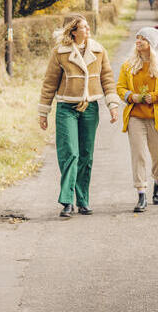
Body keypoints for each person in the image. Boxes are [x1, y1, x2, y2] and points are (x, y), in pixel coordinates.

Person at [38, 14, 120, 218]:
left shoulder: (99, 50)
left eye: (87, 26)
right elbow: (49, 83)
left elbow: (107, 78)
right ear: (73, 31)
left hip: (90, 108)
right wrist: (44, 112)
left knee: (86, 155)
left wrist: (112, 105)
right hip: (67, 107)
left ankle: (83, 200)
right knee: (70, 153)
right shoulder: (60, 53)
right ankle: (67, 201)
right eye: (83, 27)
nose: (88, 30)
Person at [116, 25, 158, 212]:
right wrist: (130, 96)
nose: (138, 41)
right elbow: (120, 87)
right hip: (135, 117)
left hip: (157, 117)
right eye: (137, 38)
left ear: (151, 43)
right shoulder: (128, 65)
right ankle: (141, 194)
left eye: (142, 38)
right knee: (138, 155)